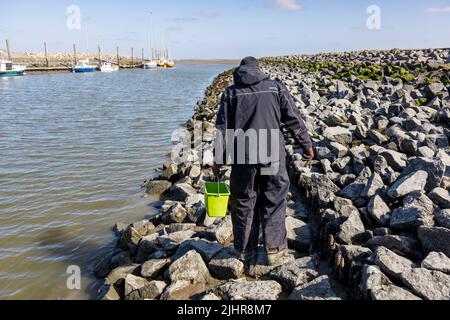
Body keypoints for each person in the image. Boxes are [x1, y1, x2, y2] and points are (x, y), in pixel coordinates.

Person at [212, 56, 314, 266]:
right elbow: (293, 119)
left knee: (243, 201)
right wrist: (307, 144)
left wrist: (218, 159)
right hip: (271, 154)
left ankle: (243, 251)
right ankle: (274, 251)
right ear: (259, 69)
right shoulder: (275, 88)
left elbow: (222, 129)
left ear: (239, 72)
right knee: (274, 200)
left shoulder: (230, 93)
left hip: (243, 156)